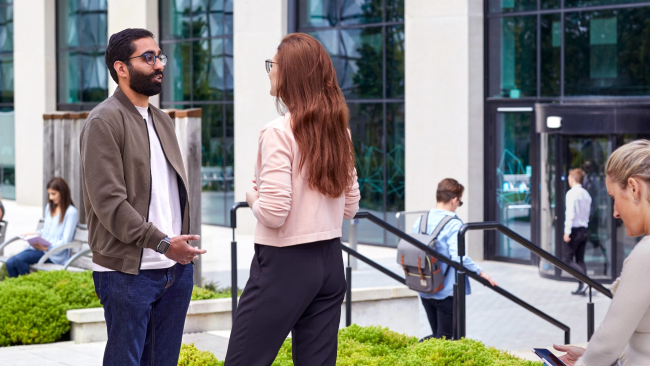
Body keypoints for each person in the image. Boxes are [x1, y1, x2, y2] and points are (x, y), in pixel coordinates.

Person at [224, 33, 361, 366]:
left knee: (243, 360)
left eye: (273, 65)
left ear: (291, 74)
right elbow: (350, 207)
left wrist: (251, 196)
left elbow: (273, 214)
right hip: (330, 261)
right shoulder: (339, 130)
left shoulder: (278, 132)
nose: (269, 71)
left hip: (285, 263)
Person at [80, 28, 206, 366]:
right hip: (126, 274)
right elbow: (110, 204)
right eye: (147, 57)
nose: (158, 64)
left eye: (159, 57)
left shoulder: (162, 120)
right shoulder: (103, 121)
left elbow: (173, 191)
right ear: (121, 68)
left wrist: (178, 254)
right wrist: (164, 243)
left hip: (174, 272)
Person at [552, 139, 650, 366]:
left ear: (634, 189)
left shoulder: (645, 254)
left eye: (614, 198)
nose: (615, 212)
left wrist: (588, 361)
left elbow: (607, 346)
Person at [412, 178, 497, 341]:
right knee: (445, 339)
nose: (458, 206)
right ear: (454, 200)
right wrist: (481, 272)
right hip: (446, 290)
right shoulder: (453, 224)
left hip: (424, 288)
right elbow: (459, 258)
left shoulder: (420, 220)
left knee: (438, 336)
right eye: (460, 202)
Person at [5, 177, 78, 277]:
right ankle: (17, 289)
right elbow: (46, 230)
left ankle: (28, 288)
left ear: (63, 192)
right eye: (49, 194)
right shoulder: (49, 207)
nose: (51, 197)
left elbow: (65, 240)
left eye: (53, 194)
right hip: (40, 249)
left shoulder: (71, 212)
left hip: (53, 254)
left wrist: (47, 247)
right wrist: (35, 234)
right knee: (9, 263)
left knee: (19, 260)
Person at [563, 168, 592, 295]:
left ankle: (584, 282)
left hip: (574, 230)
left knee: (567, 260)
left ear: (573, 179)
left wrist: (567, 231)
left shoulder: (571, 193)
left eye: (569, 178)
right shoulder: (586, 194)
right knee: (580, 260)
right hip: (584, 229)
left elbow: (570, 213)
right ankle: (582, 286)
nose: (568, 181)